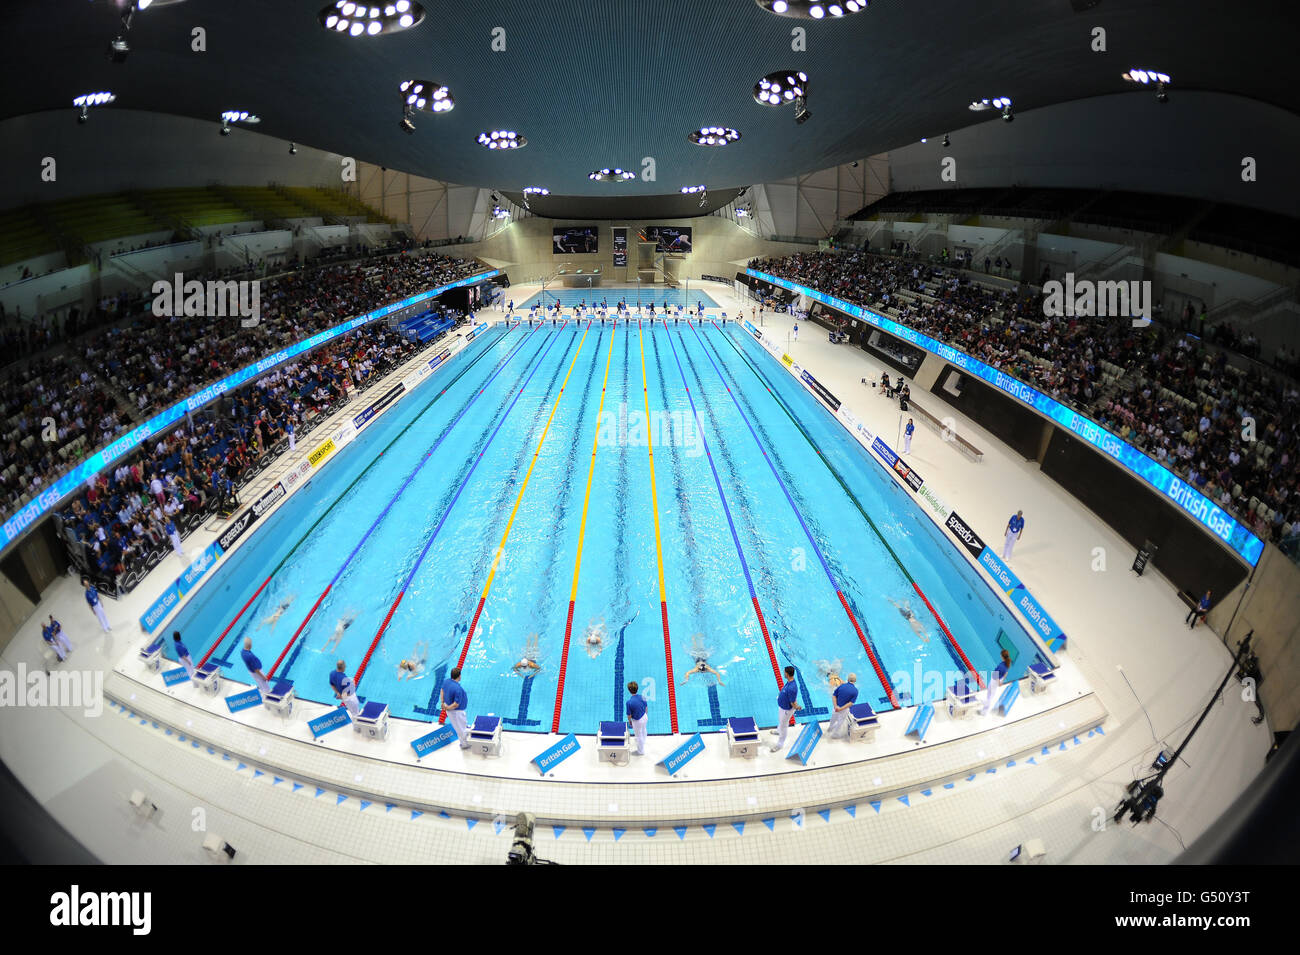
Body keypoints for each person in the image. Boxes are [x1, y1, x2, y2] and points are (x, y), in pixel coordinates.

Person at [769, 665, 802, 752]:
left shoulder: (792, 688)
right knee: (781, 721)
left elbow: (793, 702)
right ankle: (778, 730)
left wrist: (797, 707)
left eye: (784, 672)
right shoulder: (789, 681)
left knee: (784, 726)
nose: (783, 673)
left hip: (787, 709)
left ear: (787, 674)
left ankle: (780, 744)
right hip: (782, 707)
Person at [440, 667, 470, 748]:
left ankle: (464, 737)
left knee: (460, 725)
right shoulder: (458, 689)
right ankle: (464, 744)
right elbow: (456, 704)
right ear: (459, 676)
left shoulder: (446, 681)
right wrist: (448, 708)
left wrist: (442, 702)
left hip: (450, 709)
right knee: (460, 729)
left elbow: (442, 690)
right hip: (457, 712)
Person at [825, 673, 858, 740]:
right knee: (840, 721)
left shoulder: (841, 686)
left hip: (836, 708)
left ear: (848, 679)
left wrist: (835, 706)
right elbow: (851, 703)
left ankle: (830, 728)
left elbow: (834, 696)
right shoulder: (855, 691)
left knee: (833, 718)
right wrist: (841, 709)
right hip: (844, 709)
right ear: (855, 681)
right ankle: (834, 735)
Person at [982, 649, 1013, 715]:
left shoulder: (1001, 666)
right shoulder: (1006, 663)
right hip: (997, 679)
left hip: (995, 680)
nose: (1000, 656)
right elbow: (1006, 673)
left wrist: (999, 682)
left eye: (1000, 655)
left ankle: (985, 709)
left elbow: (996, 675)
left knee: (991, 694)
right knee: (990, 692)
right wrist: (1002, 681)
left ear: (1002, 656)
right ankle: (986, 703)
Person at [626, 681, 648, 756]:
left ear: (629, 690)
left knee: (638, 736)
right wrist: (645, 715)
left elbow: (629, 715)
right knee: (644, 729)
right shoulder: (643, 697)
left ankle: (641, 751)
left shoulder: (629, 702)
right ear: (637, 689)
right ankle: (644, 740)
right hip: (644, 717)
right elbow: (646, 708)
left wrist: (630, 721)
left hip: (637, 721)